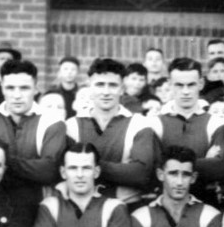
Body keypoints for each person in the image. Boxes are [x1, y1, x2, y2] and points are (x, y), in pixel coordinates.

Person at [0, 58, 66, 205]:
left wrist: (1, 162)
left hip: (37, 204)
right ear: (2, 88)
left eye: (24, 88)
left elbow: (49, 171)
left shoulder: (53, 121)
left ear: (35, 88)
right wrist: (32, 166)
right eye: (10, 88)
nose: (17, 95)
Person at [65, 58, 158, 206]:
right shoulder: (71, 125)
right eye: (100, 85)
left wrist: (87, 165)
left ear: (122, 88)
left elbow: (140, 173)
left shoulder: (139, 124)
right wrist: (120, 171)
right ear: (90, 87)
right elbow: (64, 171)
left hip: (127, 207)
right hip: (80, 209)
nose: (106, 92)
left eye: (113, 85)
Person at [148, 58, 224, 204]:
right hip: (166, 202)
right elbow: (153, 169)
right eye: (179, 85)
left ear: (201, 84)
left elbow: (218, 169)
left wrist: (170, 167)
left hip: (205, 200)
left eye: (191, 85)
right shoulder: (155, 123)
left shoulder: (215, 123)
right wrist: (204, 161)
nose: (185, 92)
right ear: (170, 84)